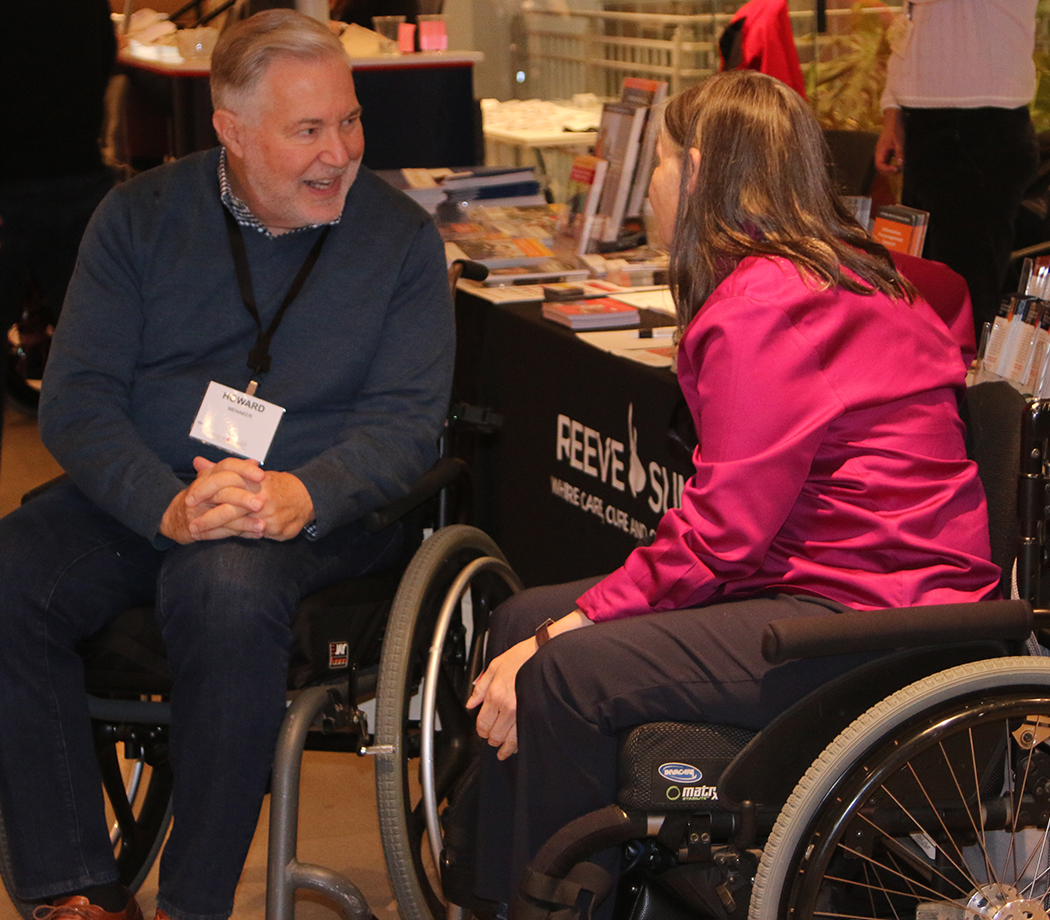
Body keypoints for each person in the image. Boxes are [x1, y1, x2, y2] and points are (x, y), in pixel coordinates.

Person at [465, 70, 1002, 917]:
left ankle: (558, 905)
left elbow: (722, 534)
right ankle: (504, 899)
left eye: (662, 160)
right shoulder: (848, 272)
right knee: (519, 622)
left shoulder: (764, 304)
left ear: (702, 166)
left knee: (562, 666)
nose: (649, 182)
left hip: (872, 620)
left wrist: (580, 623)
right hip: (849, 588)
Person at [0, 10, 453, 920]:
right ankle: (74, 891)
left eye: (350, 120)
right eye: (308, 130)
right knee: (11, 573)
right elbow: (78, 398)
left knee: (226, 589)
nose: (341, 152)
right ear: (231, 131)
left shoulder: (401, 240)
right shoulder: (139, 217)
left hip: (315, 512)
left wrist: (304, 492)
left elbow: (409, 425)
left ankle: (193, 905)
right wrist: (164, 506)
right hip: (153, 494)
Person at [874, 0, 1039, 334]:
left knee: (966, 296)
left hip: (982, 120)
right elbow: (912, 20)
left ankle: (966, 384)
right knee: (924, 288)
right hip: (924, 121)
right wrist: (894, 110)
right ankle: (938, 381)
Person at [0, 0, 117, 412]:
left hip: (10, 180)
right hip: (80, 175)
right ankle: (110, 472)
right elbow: (106, 57)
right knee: (99, 354)